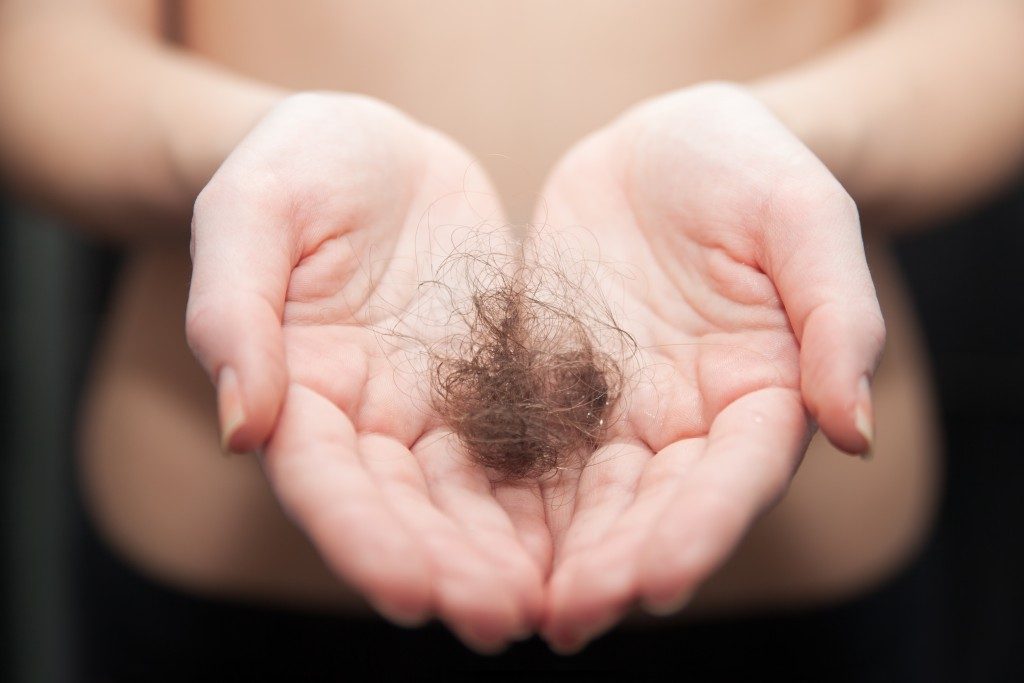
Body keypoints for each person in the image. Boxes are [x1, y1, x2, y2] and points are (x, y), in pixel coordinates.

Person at [1, 0, 1021, 678]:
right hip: (227, 588)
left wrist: (797, 139)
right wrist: (250, 157)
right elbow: (35, 54)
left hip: (794, 593)